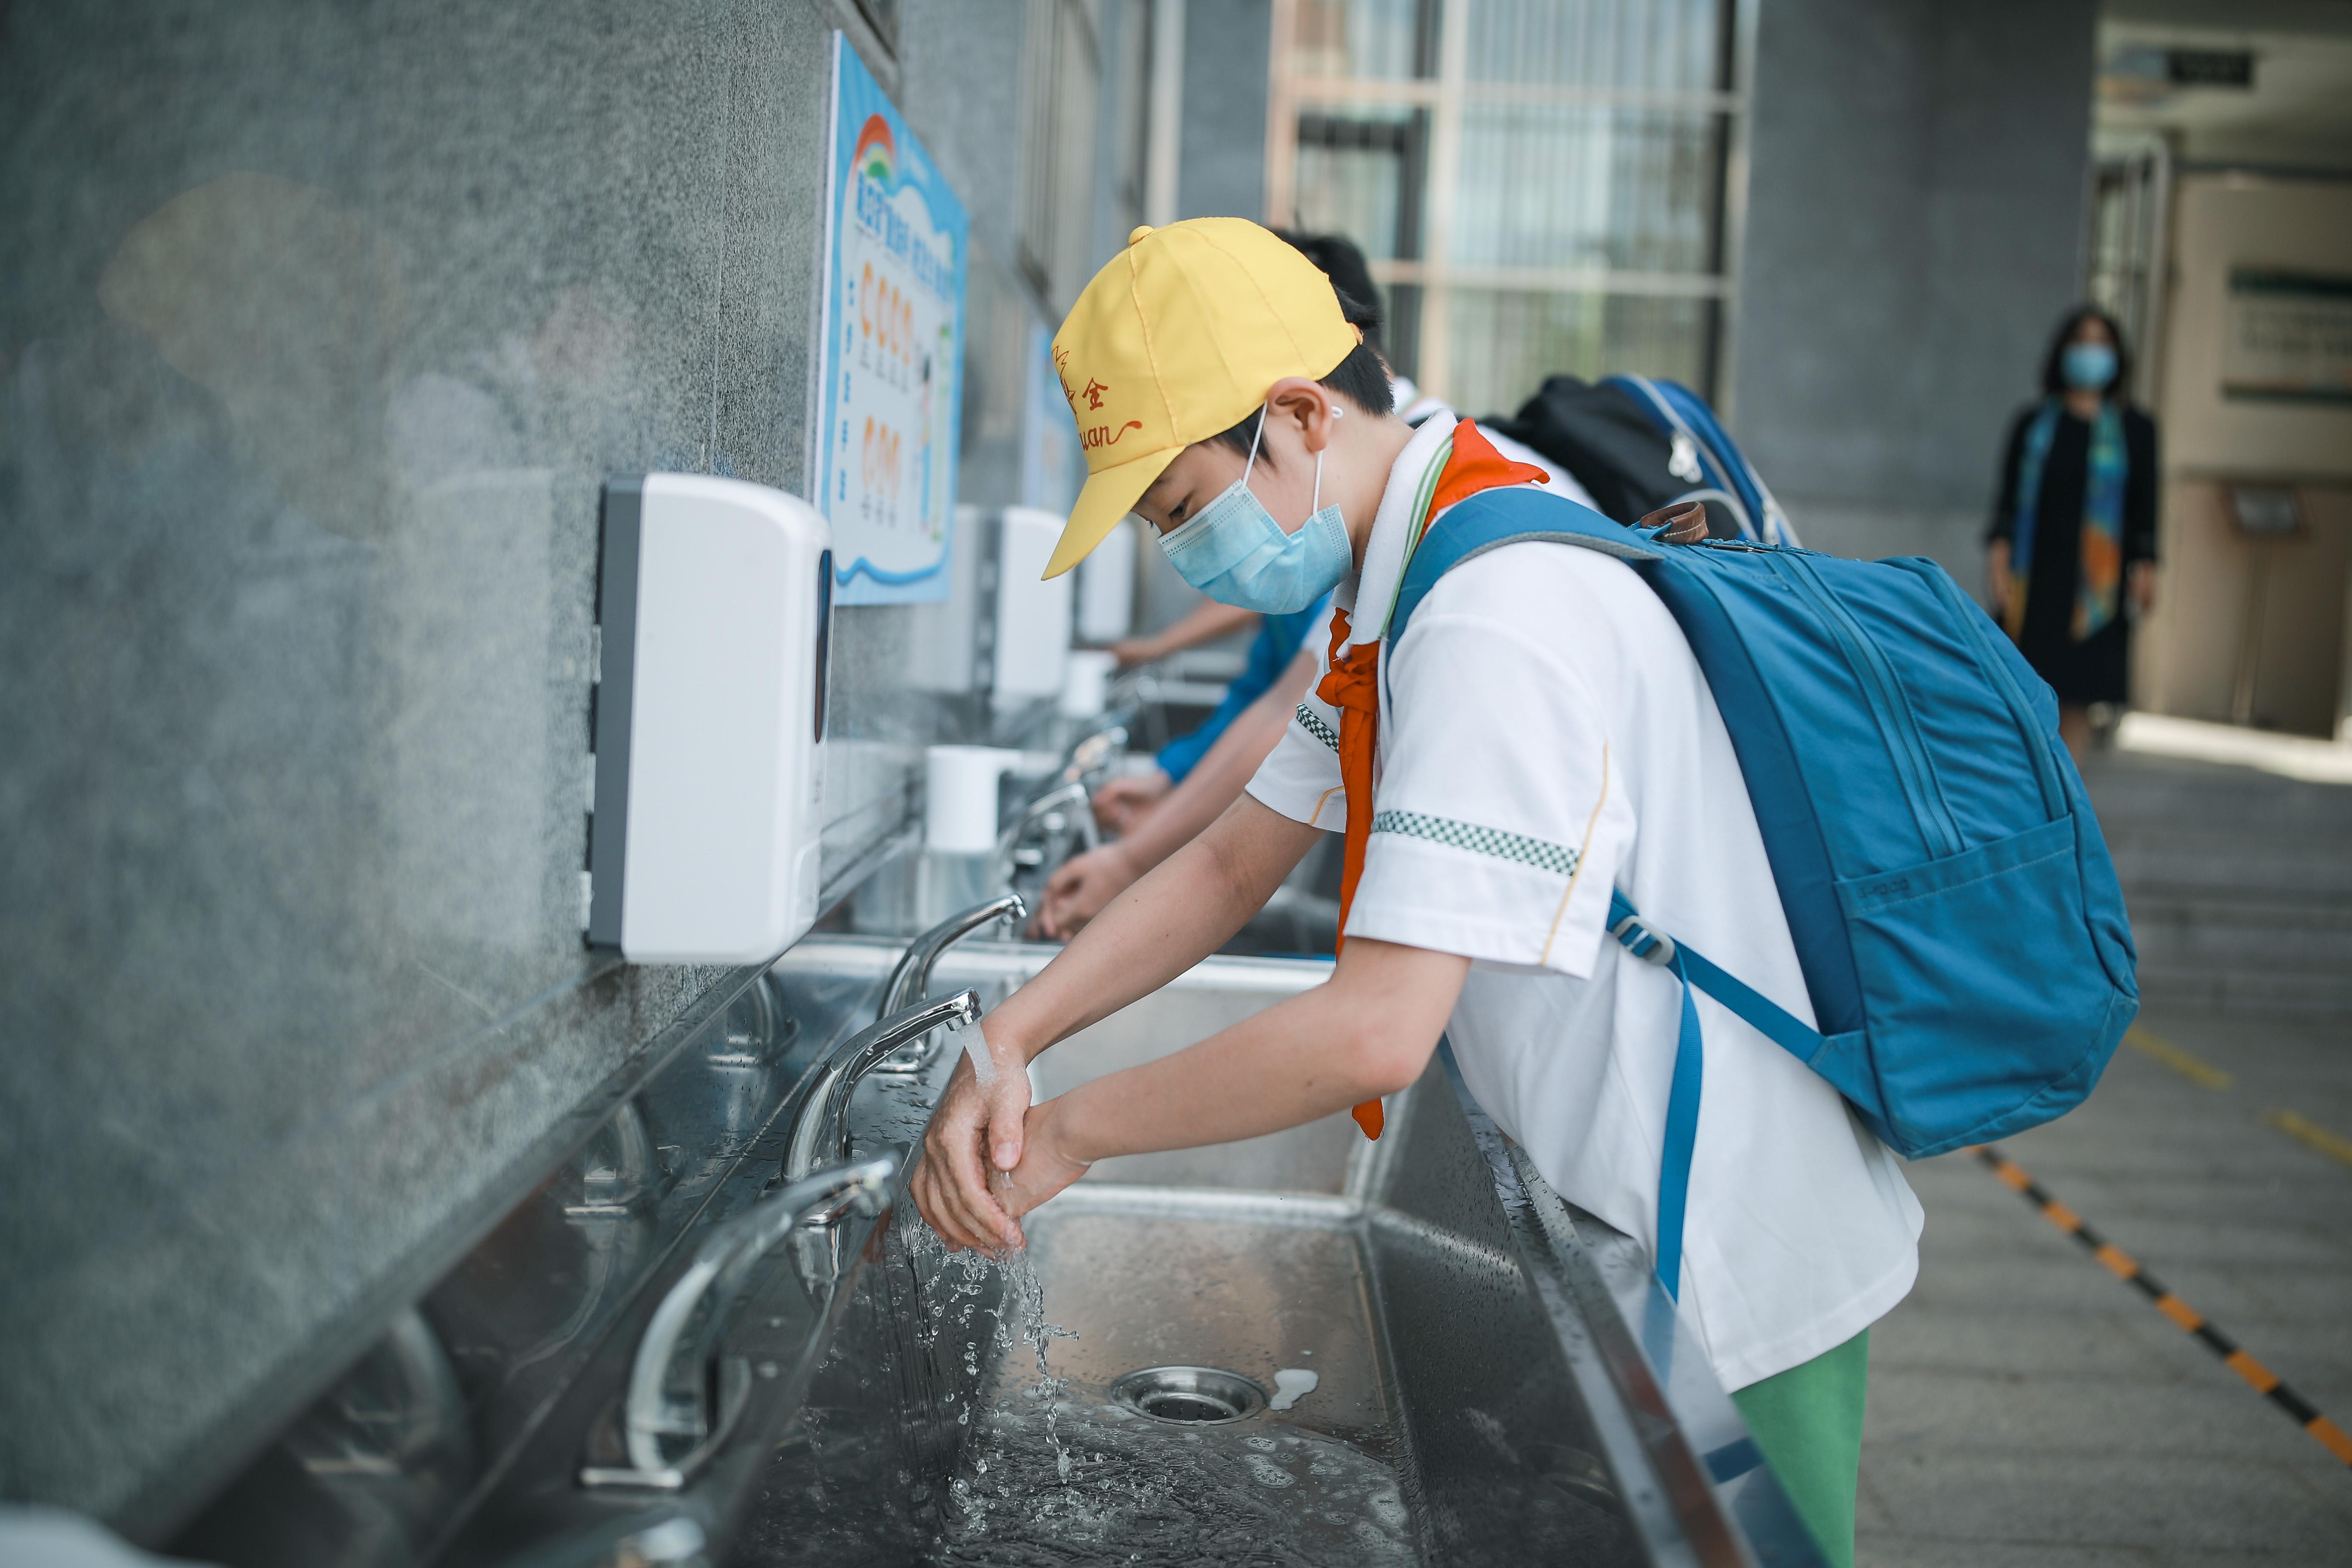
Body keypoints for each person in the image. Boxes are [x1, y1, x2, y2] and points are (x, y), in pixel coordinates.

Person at [910, 217, 1918, 1568]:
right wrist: (1008, 1036)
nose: (1179, 553)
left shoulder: (1494, 612)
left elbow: (1372, 1031)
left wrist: (1075, 1134)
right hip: (1617, 1203)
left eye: (1180, 508)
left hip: (1727, 1246)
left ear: (1297, 415)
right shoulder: (1402, 572)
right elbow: (1227, 863)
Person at [1987, 306, 2159, 762]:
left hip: (2097, 589)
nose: (2091, 353)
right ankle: (2029, 788)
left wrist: (2147, 569)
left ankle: (2070, 792)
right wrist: (1999, 564)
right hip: (2037, 580)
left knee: (2080, 696)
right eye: (2081, 341)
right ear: (2063, 353)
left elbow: (2145, 512)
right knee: (2022, 688)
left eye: (2102, 343)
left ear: (2117, 357)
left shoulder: (2135, 431)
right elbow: (2006, 508)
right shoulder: (2033, 426)